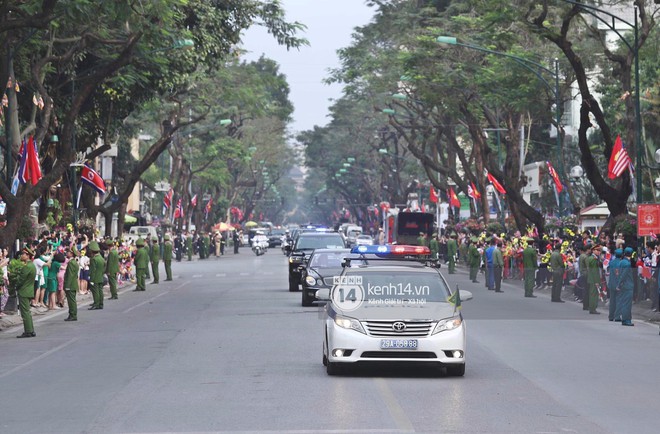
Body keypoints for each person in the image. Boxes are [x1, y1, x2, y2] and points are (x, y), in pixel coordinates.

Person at [16, 247, 37, 338]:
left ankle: (28, 331)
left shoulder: (27, 266)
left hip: (24, 291)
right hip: (28, 291)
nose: (22, 255)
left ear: (27, 255)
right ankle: (31, 330)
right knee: (27, 312)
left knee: (25, 312)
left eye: (23, 254)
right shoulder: (32, 265)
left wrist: (15, 283)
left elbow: (20, 280)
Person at [615, 247, 635, 326]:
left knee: (624, 302)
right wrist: (619, 284)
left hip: (624, 285)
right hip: (628, 285)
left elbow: (619, 274)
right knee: (627, 303)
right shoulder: (627, 264)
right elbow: (623, 275)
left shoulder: (621, 262)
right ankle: (626, 319)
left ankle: (624, 319)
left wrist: (619, 284)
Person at [63, 246, 80, 321]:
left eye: (68, 252)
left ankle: (73, 315)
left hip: (70, 285)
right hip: (73, 284)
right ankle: (72, 314)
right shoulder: (74, 262)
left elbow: (70, 275)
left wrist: (67, 286)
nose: (67, 253)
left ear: (72, 253)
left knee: (71, 301)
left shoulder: (71, 263)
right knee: (72, 300)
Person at [88, 241, 105, 310]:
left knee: (95, 291)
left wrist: (91, 278)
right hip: (100, 276)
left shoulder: (93, 259)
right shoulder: (101, 258)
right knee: (100, 291)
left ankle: (96, 303)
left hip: (94, 277)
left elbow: (93, 270)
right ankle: (101, 303)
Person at [586, 244, 603, 314]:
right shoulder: (593, 259)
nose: (599, 252)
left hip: (591, 278)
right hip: (594, 279)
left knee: (592, 293)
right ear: (593, 251)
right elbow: (594, 271)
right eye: (597, 250)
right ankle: (593, 308)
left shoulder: (592, 258)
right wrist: (596, 281)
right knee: (594, 294)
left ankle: (592, 308)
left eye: (599, 251)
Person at [607, 248, 623, 321]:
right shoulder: (622, 263)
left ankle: (611, 316)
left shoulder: (611, 262)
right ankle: (617, 316)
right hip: (618, 284)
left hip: (611, 283)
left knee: (612, 300)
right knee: (619, 300)